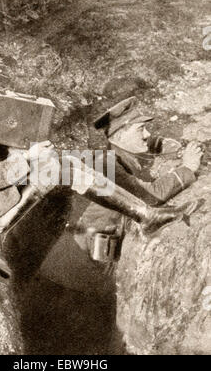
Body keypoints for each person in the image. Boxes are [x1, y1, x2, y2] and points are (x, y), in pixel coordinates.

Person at [0, 50, 198, 278]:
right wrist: (26, 159)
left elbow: (4, 136)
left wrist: (28, 145)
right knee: (61, 169)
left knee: (67, 165)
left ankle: (146, 216)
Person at [74, 96, 203, 263]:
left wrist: (170, 146)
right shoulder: (106, 165)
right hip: (87, 260)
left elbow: (152, 142)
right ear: (119, 137)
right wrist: (188, 167)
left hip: (99, 249)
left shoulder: (120, 154)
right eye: (140, 129)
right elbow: (151, 196)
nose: (147, 134)